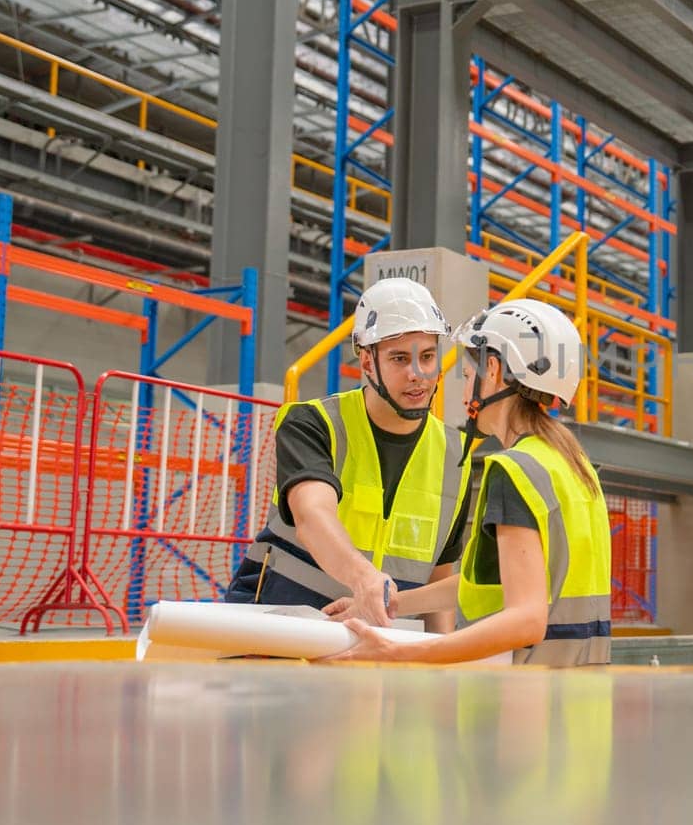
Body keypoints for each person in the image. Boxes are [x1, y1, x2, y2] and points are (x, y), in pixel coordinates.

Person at [327, 297, 611, 666]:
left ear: (491, 370)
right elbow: (495, 585)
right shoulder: (573, 466)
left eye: (465, 374)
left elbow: (527, 620)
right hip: (582, 701)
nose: (462, 390)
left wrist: (402, 652)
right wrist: (395, 603)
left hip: (527, 705)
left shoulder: (516, 471)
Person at [226, 278, 471, 627]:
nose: (418, 374)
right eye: (400, 359)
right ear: (367, 363)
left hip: (383, 649)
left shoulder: (455, 453)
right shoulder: (313, 424)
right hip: (282, 629)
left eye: (428, 357)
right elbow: (312, 516)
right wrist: (364, 578)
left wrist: (439, 662)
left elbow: (439, 575)